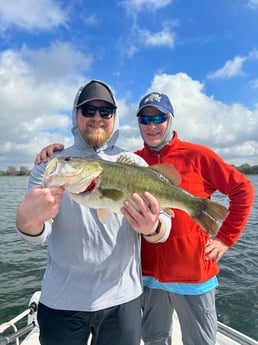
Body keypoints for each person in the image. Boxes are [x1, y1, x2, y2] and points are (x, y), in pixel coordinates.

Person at [35, 91, 254, 345]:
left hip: (193, 275)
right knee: (154, 339)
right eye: (145, 119)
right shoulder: (133, 159)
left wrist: (226, 239)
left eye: (159, 117)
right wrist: (55, 155)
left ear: (170, 120)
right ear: (137, 123)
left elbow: (243, 190)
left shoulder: (198, 155)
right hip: (148, 278)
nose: (152, 126)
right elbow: (99, 161)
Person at [16, 81, 171, 345]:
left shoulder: (134, 164)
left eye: (105, 111)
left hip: (122, 300)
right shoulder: (51, 164)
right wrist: (26, 222)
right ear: (75, 115)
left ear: (115, 117)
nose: (97, 118)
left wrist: (152, 228)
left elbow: (165, 226)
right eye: (88, 110)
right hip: (61, 300)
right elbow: (38, 235)